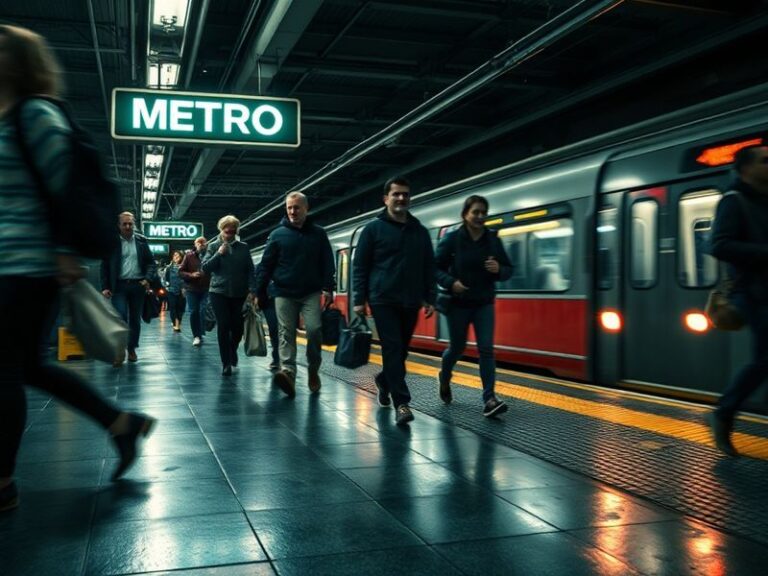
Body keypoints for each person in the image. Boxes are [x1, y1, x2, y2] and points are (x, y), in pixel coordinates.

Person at [0, 24, 154, 512]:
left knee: (5, 369)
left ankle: (1, 483)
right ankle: (120, 423)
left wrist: (66, 250)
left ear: (21, 61)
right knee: (29, 367)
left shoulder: (35, 113)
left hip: (26, 265)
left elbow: (64, 180)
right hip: (13, 263)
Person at [353, 176, 436, 425]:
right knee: (393, 348)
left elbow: (428, 267)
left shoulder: (419, 232)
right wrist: (359, 299)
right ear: (385, 198)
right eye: (396, 194)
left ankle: (383, 380)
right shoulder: (372, 230)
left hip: (410, 300)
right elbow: (360, 267)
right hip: (383, 299)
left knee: (401, 352)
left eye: (405, 194)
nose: (401, 198)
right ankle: (402, 403)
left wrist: (430, 297)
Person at [709, 144, 768, 456]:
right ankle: (724, 413)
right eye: (765, 161)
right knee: (764, 359)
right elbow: (719, 245)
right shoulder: (734, 201)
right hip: (755, 294)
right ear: (746, 169)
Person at [435, 195, 513, 417]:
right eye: (475, 212)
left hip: (483, 303)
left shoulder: (492, 240)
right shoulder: (452, 240)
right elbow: (435, 268)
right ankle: (445, 376)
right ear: (465, 214)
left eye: (483, 213)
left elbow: (508, 269)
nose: (480, 216)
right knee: (457, 348)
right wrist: (451, 283)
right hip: (458, 304)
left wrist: (498, 269)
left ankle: (489, 399)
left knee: (486, 349)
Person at [255, 191, 335, 397]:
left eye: (296, 207)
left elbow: (327, 262)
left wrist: (328, 288)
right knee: (285, 332)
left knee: (315, 329)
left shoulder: (318, 234)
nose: (292, 211)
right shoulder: (277, 235)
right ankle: (288, 372)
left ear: (306, 209)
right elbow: (265, 265)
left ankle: (313, 369)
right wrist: (259, 291)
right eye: (289, 207)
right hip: (284, 292)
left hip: (310, 292)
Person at [202, 215, 256, 376]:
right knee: (224, 325)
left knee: (238, 328)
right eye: (227, 232)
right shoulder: (213, 246)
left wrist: (253, 290)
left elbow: (250, 270)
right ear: (221, 230)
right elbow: (205, 268)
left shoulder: (243, 247)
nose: (230, 235)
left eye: (233, 232)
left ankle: (232, 349)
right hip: (219, 292)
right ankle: (226, 363)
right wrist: (218, 254)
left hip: (239, 293)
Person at [101, 211, 157, 363]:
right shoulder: (112, 242)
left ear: (134, 225)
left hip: (138, 286)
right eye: (124, 224)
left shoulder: (141, 241)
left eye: (130, 224)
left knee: (134, 320)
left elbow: (151, 263)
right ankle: (119, 348)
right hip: (118, 286)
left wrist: (147, 279)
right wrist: (105, 286)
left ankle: (131, 348)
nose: (127, 226)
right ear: (119, 225)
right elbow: (105, 266)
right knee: (120, 317)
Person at [179, 236, 211, 347]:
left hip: (206, 288)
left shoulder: (210, 255)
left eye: (203, 242)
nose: (201, 244)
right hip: (192, 289)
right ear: (195, 244)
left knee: (203, 310)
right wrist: (191, 275)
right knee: (193, 312)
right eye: (199, 242)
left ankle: (200, 332)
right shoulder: (188, 256)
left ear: (206, 244)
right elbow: (181, 271)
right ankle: (196, 336)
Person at [255, 263, 281, 371]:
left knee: (285, 329)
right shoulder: (261, 266)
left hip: (284, 298)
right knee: (274, 328)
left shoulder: (286, 262)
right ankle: (277, 358)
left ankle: (282, 358)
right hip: (268, 301)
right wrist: (255, 295)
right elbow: (256, 281)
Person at [164, 250, 185, 332]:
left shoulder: (185, 267)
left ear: (181, 257)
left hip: (182, 291)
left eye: (178, 256)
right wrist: (167, 287)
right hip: (171, 291)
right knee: (173, 307)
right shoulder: (169, 268)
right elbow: (165, 279)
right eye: (174, 255)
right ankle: (176, 324)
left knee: (180, 308)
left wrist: (185, 288)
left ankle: (178, 323)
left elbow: (187, 279)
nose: (176, 257)